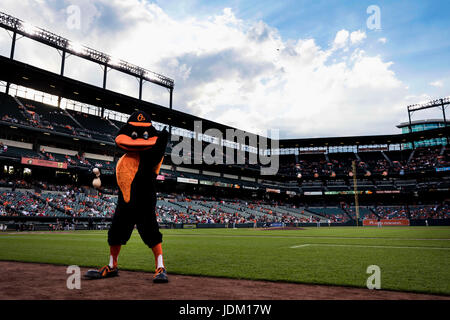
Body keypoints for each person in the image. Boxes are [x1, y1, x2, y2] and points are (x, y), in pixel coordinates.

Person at [84, 110, 169, 283]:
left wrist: (163, 138)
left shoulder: (150, 156)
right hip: (124, 202)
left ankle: (160, 266)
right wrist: (101, 176)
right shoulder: (124, 159)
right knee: (115, 232)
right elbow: (120, 177)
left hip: (145, 201)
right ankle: (112, 265)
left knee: (151, 233)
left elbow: (158, 150)